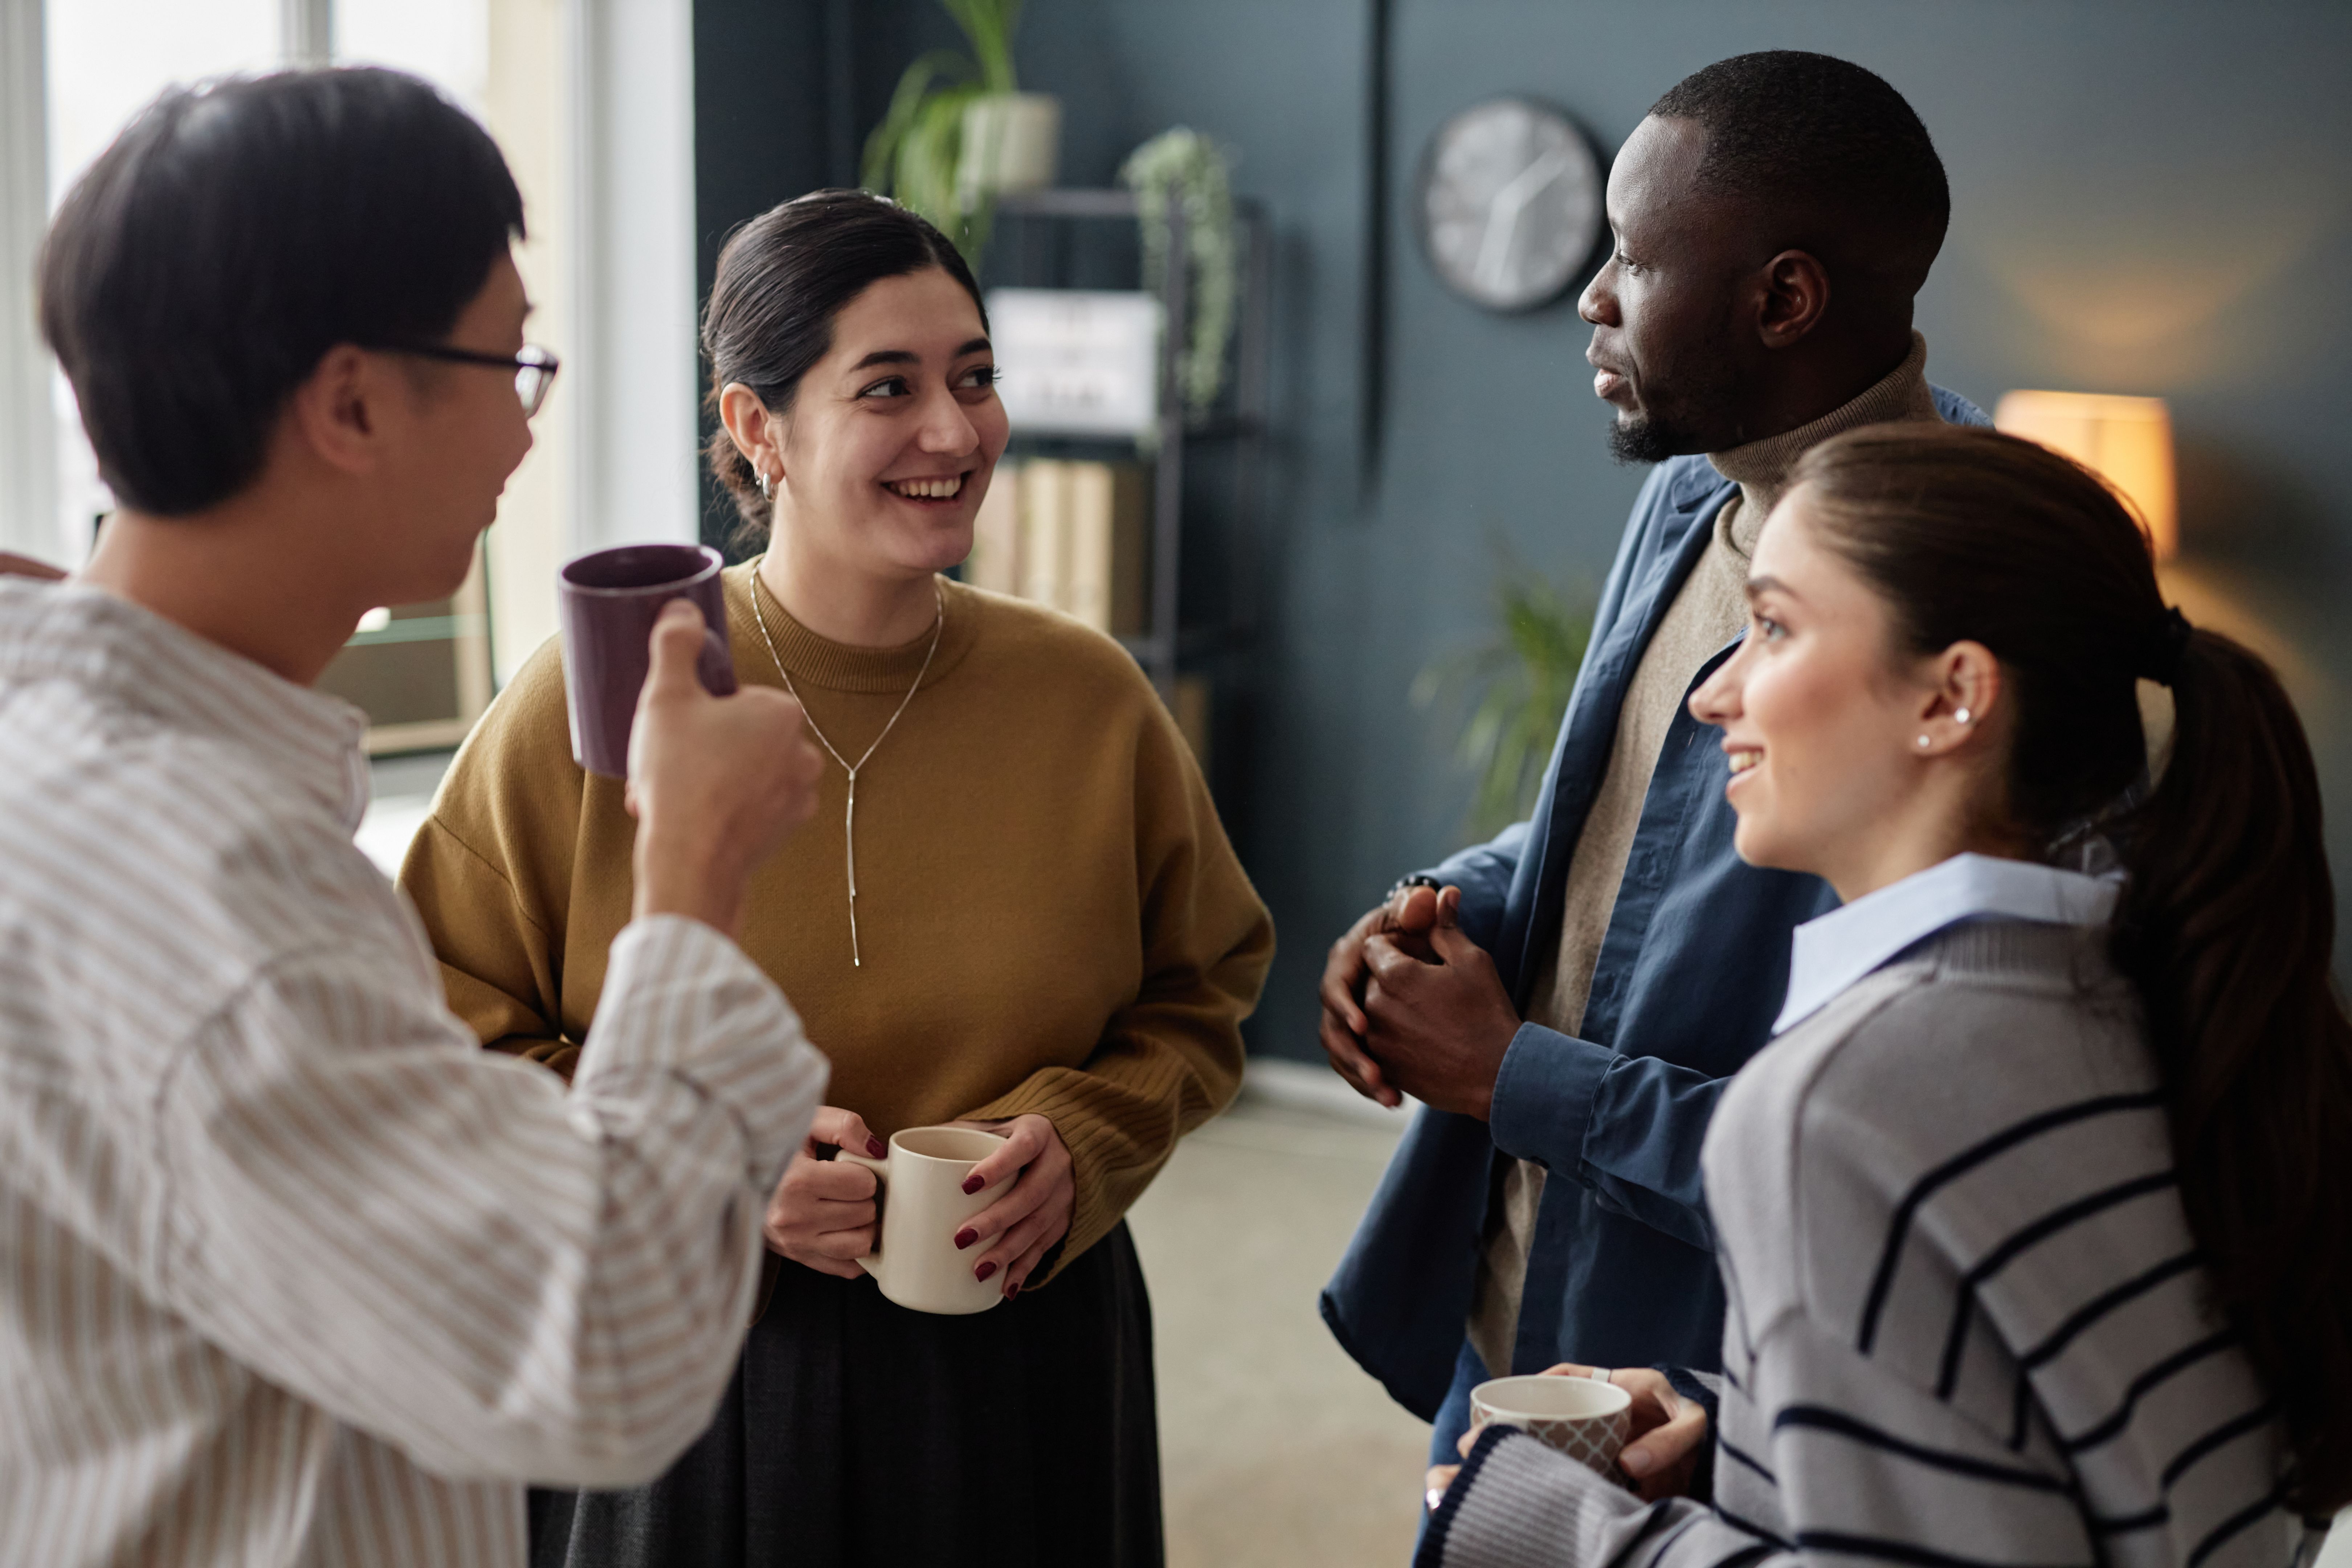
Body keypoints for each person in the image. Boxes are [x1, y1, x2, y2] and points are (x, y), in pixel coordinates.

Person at [0, 70, 832, 1567]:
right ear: (351, 401)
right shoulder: (212, 884)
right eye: (513, 366)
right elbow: (606, 1350)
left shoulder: (57, 750)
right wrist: (693, 865)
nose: (526, 438)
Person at [397, 188, 1275, 1567]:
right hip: (690, 1359)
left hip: (1024, 1349)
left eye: (976, 378)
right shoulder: (609, 694)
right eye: (891, 387)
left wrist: (1089, 1138)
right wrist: (704, 1169)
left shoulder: (1088, 699)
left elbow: (1203, 992)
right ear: (759, 428)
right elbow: (437, 1037)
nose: (955, 430)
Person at [1420, 422, 2348, 1568]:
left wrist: (1558, 1526)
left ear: (1952, 696)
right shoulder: (2164, 990)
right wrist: (1758, 1438)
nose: (1717, 694)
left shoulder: (1840, 1105)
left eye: (1773, 627)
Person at [1319, 51, 1989, 1476]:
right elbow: (1620, 821)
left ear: (1784, 299)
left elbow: (1880, 1160)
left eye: (1629, 257)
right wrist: (1439, 901)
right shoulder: (1693, 487)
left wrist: (1513, 1075)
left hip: (1702, 1388)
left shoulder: (1972, 611)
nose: (1591, 297)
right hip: (1514, 1309)